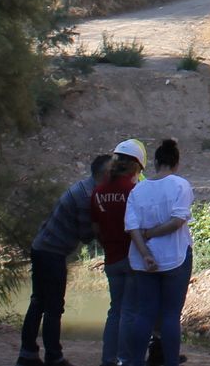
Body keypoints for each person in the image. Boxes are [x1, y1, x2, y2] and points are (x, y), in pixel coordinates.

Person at [20, 154, 111, 366]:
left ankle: (27, 354)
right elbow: (86, 235)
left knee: (38, 302)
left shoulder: (84, 188)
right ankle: (54, 357)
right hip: (52, 253)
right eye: (113, 170)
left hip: (41, 247)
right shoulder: (87, 197)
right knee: (53, 306)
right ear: (105, 174)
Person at [121, 139, 192, 366]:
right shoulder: (181, 185)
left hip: (143, 261)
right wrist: (152, 233)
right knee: (171, 314)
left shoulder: (138, 189)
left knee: (145, 313)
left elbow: (132, 227)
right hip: (175, 256)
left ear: (155, 162)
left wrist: (145, 253)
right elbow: (178, 221)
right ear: (176, 163)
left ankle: (135, 362)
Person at [91, 139, 145, 366]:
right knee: (130, 311)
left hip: (111, 258)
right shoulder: (134, 191)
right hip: (132, 258)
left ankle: (108, 359)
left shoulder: (98, 192)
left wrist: (108, 245)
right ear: (136, 166)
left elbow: (96, 229)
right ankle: (125, 359)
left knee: (115, 310)